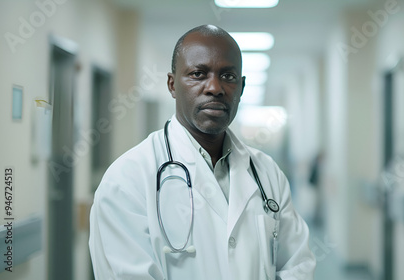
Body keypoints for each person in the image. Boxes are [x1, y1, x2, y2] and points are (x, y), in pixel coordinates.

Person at [89, 24, 316, 280]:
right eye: (198, 74)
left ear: (241, 88)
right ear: (172, 85)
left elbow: (298, 266)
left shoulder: (267, 173)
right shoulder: (127, 178)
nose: (215, 88)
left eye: (228, 76)